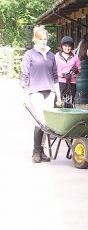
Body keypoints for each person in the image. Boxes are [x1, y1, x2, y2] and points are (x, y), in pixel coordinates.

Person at [19, 26, 63, 163]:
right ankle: (36, 152)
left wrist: (59, 96)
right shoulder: (29, 55)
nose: (43, 42)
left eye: (45, 39)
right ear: (35, 40)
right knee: (40, 121)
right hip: (35, 91)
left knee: (47, 124)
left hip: (49, 91)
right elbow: (24, 75)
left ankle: (42, 150)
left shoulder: (51, 55)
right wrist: (23, 95)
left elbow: (55, 76)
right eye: (40, 39)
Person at [55, 36, 81, 108]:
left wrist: (76, 72)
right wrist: (62, 75)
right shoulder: (56, 57)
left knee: (68, 105)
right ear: (62, 46)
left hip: (70, 84)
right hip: (59, 84)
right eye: (65, 46)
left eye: (69, 46)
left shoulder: (75, 57)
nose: (67, 48)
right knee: (59, 104)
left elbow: (79, 74)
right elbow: (52, 73)